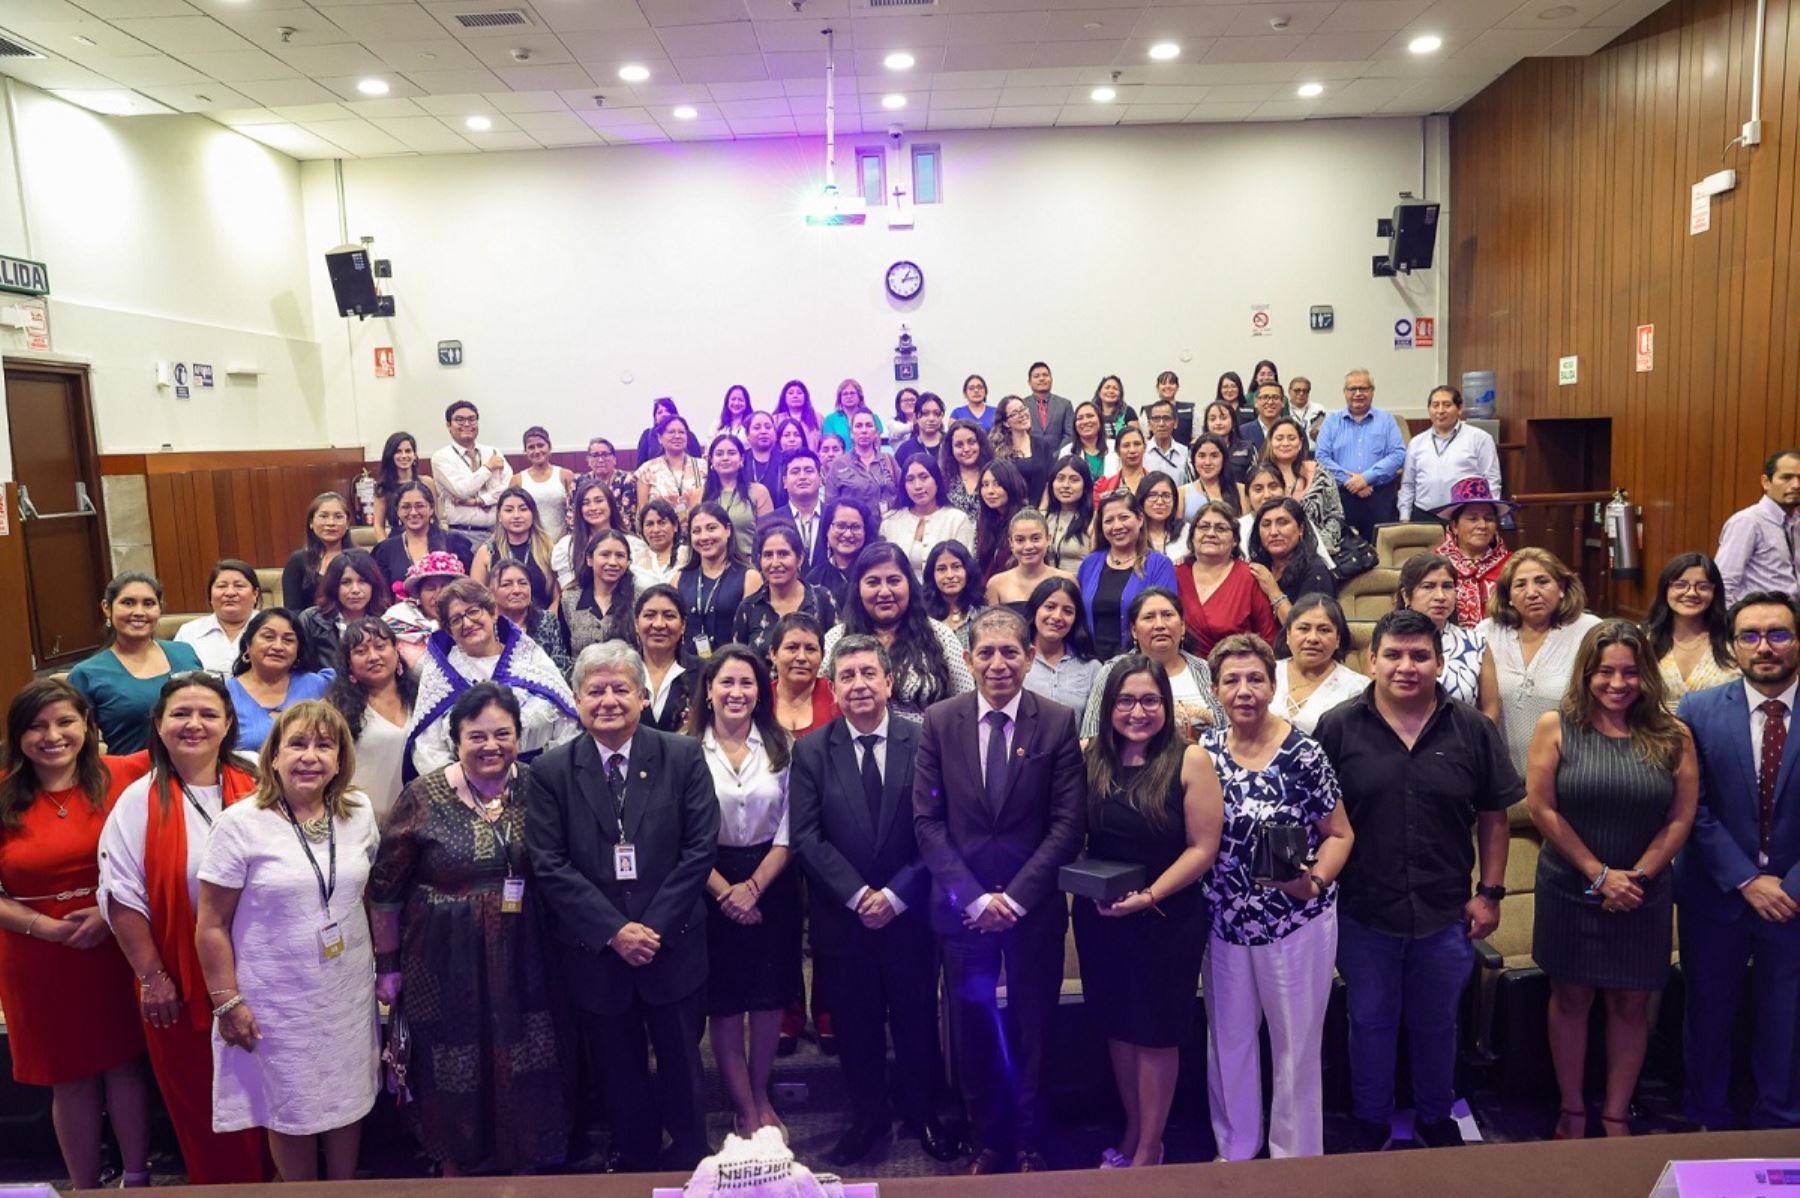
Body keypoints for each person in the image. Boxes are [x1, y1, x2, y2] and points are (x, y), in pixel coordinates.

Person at [1313, 609, 1519, 1150]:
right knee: (1371, 1022)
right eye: (1395, 655)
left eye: (1420, 655)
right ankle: (1371, 1119)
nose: (1407, 666)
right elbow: (1317, 819)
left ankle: (1434, 1115)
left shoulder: (1472, 727)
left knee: (1436, 1025)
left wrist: (1491, 893)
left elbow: (1495, 815)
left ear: (1440, 662)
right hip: (1362, 909)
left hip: (1445, 909)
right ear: (1371, 660)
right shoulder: (1337, 726)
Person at [525, 641, 721, 1172]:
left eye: (619, 689)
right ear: (576, 699)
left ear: (640, 695)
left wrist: (649, 928)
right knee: (617, 1066)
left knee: (683, 1061)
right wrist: (616, 931)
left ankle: (689, 1159)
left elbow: (700, 848)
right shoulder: (550, 772)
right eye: (595, 690)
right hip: (597, 950)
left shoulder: (681, 756)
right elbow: (549, 863)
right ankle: (634, 1158)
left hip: (672, 942)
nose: (608, 700)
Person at [370, 682, 571, 1174]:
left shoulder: (538, 786)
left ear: (520, 738)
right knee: (452, 1060)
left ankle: (526, 1159)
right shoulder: (423, 794)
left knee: (532, 1050)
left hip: (529, 953)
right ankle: (457, 1164)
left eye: (503, 733)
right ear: (455, 740)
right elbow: (384, 888)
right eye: (476, 735)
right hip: (442, 960)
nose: (491, 746)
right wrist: (388, 965)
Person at [912, 608, 1086, 1174]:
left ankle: (1032, 1140)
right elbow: (927, 823)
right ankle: (989, 1140)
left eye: (1010, 652)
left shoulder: (1057, 722)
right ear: (968, 660)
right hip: (963, 912)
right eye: (985, 653)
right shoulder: (940, 721)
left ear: (1030, 657)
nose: (997, 663)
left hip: (1030, 909)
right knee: (973, 1028)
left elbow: (1067, 825)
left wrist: (1013, 897)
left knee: (1034, 1027)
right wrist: (974, 897)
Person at [1524, 620, 1697, 1140]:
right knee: (1571, 997)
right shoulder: (1556, 725)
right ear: (1587, 674)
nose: (1617, 683)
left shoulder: (1674, 734)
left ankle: (1616, 1113)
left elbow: (1680, 818)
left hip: (1642, 893)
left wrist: (1636, 877)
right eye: (1605, 672)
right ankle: (1573, 1109)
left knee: (1631, 1002)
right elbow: (1542, 808)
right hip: (1571, 886)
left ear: (1645, 675)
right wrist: (1598, 874)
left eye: (1628, 672)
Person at [789, 635, 956, 1166]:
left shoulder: (924, 740)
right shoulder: (812, 750)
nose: (858, 684)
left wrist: (896, 895)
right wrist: (861, 896)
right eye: (847, 677)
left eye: (868, 674)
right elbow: (807, 837)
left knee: (915, 1019)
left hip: (912, 915)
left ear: (888, 681)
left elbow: (941, 826)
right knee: (856, 1027)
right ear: (833, 689)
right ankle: (867, 1118)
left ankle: (921, 1110)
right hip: (845, 918)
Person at [193, 702, 377, 1182]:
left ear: (340, 759)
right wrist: (226, 1000)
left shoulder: (358, 813)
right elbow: (211, 923)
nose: (310, 757)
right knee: (289, 1104)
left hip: (346, 988)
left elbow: (365, 895)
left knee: (348, 1095)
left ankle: (343, 1190)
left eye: (324, 745)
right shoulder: (239, 824)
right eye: (297, 744)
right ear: (272, 756)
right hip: (274, 995)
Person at [97, 674, 269, 1183]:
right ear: (158, 724)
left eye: (208, 714)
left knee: (276, 1099)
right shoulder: (137, 801)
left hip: (269, 969)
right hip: (181, 978)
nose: (194, 724)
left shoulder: (262, 779)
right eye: (180, 714)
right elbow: (122, 897)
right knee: (205, 1105)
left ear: (229, 724)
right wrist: (153, 977)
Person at [1201, 634, 1352, 1160]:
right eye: (1232, 680)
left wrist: (1313, 881)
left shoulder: (1304, 751)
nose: (1244, 691)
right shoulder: (1205, 753)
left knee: (1296, 1048)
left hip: (1296, 921)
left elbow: (1339, 834)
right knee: (1230, 1044)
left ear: (1273, 683)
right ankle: (1236, 1152)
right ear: (1216, 689)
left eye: (1255, 679)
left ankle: (1295, 1162)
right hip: (1224, 924)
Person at [0, 681, 154, 1190]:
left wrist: (111, 915)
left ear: (87, 726)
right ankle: (85, 1188)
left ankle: (137, 1178)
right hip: (39, 954)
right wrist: (42, 926)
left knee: (125, 1064)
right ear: (17, 736)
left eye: (65, 722)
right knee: (70, 1077)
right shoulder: (2, 793)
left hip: (117, 942)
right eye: (37, 726)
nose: (52, 736)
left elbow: (161, 854)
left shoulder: (126, 775)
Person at [1074, 655, 1224, 1169]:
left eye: (1149, 700)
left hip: (1166, 917)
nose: (1138, 711)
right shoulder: (1089, 755)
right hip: (1101, 917)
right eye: (1126, 701)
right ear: (1109, 705)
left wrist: (1151, 895)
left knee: (1155, 1032)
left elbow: (1203, 848)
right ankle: (1135, 1128)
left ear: (1166, 703)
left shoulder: (1191, 761)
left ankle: (1149, 1147)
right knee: (1118, 1025)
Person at [1675, 591, 1800, 1130]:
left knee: (1787, 1016)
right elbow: (1690, 807)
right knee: (1708, 1011)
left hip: (1795, 899)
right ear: (1732, 646)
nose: (1764, 647)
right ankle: (1707, 1117)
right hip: (1717, 891)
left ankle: (1780, 1120)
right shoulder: (1698, 710)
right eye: (1750, 636)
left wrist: (1790, 886)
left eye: (1778, 634)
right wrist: (1746, 878)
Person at [685, 647, 801, 1140]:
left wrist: (753, 888)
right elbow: (681, 833)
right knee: (727, 1001)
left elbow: (793, 827)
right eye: (726, 683)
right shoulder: (684, 749)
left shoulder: (784, 746)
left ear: (761, 691)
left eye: (747, 684)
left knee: (769, 997)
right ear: (708, 691)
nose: (736, 693)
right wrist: (726, 891)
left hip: (773, 878)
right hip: (708, 878)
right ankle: (743, 1104)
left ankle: (761, 1091)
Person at [405, 578, 580, 778]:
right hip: (468, 790)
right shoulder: (441, 674)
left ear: (493, 613)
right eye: (456, 619)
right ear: (448, 631)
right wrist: (462, 788)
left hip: (539, 782)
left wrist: (547, 778)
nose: (467, 623)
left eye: (473, 611)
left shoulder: (530, 659)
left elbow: (568, 723)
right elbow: (428, 747)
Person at [1479, 548, 1603, 780]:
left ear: (1562, 588)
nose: (1532, 593)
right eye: (1520, 585)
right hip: (1499, 777)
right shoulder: (1487, 632)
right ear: (1507, 596)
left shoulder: (1590, 631)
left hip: (1570, 775)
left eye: (1542, 581)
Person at [823, 541, 975, 722]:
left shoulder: (940, 636)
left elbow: (967, 705)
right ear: (858, 589)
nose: (885, 591)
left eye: (894, 581)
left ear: (910, 585)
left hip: (927, 746)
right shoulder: (836, 638)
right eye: (873, 582)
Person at [1081, 588, 1228, 742]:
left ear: (1183, 626)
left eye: (1167, 615)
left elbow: (1230, 732)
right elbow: (1090, 737)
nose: (1159, 625)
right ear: (1134, 631)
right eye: (1149, 617)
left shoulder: (1206, 670)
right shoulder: (1112, 671)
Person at [326, 617, 414, 828]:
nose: (373, 657)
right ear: (349, 665)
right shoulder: (334, 711)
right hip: (358, 823)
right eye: (361, 651)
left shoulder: (422, 700)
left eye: (380, 646)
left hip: (418, 823)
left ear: (396, 650)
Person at [1078, 489, 1178, 661]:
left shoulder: (1159, 565)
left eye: (1124, 517)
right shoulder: (1089, 564)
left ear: (1139, 519)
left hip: (1139, 664)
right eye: (1109, 520)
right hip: (1091, 663)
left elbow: (1167, 617)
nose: (1117, 526)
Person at [1176, 501, 1279, 659]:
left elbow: (1268, 639)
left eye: (1221, 528)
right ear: (1192, 536)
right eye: (1204, 526)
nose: (1211, 533)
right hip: (1184, 674)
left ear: (1235, 540)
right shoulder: (1176, 574)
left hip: (1236, 674)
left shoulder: (1250, 577)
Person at [1313, 369, 1406, 543]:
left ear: (1372, 391)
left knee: (1381, 548)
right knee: (1344, 552)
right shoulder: (1331, 422)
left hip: (1380, 498)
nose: (1358, 394)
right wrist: (1352, 482)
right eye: (1352, 389)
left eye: (1363, 388)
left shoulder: (1387, 420)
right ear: (1345, 392)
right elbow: (1322, 457)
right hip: (1340, 497)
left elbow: (1398, 454)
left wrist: (1367, 478)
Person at [226, 608, 333, 751]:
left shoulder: (320, 685)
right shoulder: (225, 694)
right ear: (248, 645)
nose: (278, 646)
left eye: (288, 640)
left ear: (298, 650)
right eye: (268, 637)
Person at [1396, 553, 1492, 708]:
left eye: (1447, 586)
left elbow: (1490, 711)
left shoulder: (1476, 643)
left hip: (1465, 732)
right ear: (1406, 596)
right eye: (1428, 586)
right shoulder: (1386, 643)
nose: (1440, 596)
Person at [1645, 552, 1739, 709]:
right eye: (1680, 585)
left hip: (1717, 730)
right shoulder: (1644, 638)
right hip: (1654, 729)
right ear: (1665, 589)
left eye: (1703, 587)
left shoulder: (1733, 638)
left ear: (1715, 592)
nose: (1691, 593)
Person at [1398, 386, 1503, 522]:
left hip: (1464, 516)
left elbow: (1492, 480)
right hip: (1424, 515)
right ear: (1429, 410)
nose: (1440, 411)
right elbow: (1408, 484)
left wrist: (1489, 516)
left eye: (1447, 405)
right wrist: (1404, 517)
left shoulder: (1480, 438)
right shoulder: (1416, 443)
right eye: (1435, 405)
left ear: (1459, 409)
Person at [734, 523, 837, 657]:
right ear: (760, 560)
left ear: (799, 559)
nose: (775, 563)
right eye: (768, 555)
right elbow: (739, 661)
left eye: (783, 554)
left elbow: (838, 655)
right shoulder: (748, 607)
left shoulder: (822, 599)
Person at [678, 502, 764, 660]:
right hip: (688, 672)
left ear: (728, 530)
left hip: (733, 670)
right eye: (696, 531)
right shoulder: (678, 578)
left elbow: (754, 634)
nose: (704, 537)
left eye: (711, 528)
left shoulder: (749, 577)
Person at [1716, 448, 1800, 606]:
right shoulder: (1747, 521)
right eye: (1786, 478)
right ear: (1766, 482)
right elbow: (1724, 582)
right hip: (1756, 623)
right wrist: (1730, 624)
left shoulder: (1796, 524)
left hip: (1790, 623)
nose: (1796, 485)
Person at [1272, 595, 1366, 735]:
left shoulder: (1358, 689)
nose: (1312, 638)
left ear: (1338, 639)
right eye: (1304, 628)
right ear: (1288, 635)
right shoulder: (1264, 673)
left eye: (1324, 630)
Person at [1433, 476, 1517, 627]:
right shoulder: (1433, 564)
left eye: (1489, 519)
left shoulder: (1513, 565)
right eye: (1472, 519)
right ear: (1454, 526)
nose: (1482, 525)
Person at [1262, 415, 1346, 555]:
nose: (1285, 443)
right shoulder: (1261, 477)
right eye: (1279, 438)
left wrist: (1321, 544)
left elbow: (1336, 514)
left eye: (1291, 438)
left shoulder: (1319, 472)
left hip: (1318, 551)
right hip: (1273, 552)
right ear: (1270, 442)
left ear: (1300, 443)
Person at [881, 454, 976, 575]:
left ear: (936, 480)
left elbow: (965, 568)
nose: (918, 486)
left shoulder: (956, 519)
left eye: (924, 477)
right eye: (910, 479)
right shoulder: (890, 521)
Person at [298, 548, 390, 672]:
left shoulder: (387, 619)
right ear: (334, 586)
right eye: (346, 582)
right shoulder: (311, 620)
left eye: (363, 581)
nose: (355, 590)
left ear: (373, 585)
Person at [471, 487, 560, 614]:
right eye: (509, 510)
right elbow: (475, 597)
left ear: (533, 514)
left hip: (544, 622)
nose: (516, 515)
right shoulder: (486, 552)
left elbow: (559, 595)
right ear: (499, 516)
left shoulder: (550, 549)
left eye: (523, 509)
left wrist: (549, 621)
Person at [373, 480, 475, 587]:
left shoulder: (454, 542)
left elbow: (468, 587)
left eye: (419, 506)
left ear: (431, 508)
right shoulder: (385, 550)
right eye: (406, 507)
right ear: (397, 511)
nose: (413, 512)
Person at [1248, 497, 1337, 619]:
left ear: (1300, 529)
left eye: (1283, 522)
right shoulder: (1258, 567)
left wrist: (1273, 591)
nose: (1273, 532)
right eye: (1266, 524)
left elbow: (1307, 630)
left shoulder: (1316, 571)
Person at [1023, 576, 1101, 712]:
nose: (1057, 617)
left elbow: (1093, 726)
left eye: (1067, 611)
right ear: (1035, 609)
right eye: (1050, 607)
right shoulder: (1015, 660)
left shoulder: (1091, 668)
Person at [434, 402, 509, 538]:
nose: (467, 424)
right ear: (449, 425)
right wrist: (488, 468)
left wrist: (479, 501)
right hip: (461, 534)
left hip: (498, 533)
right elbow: (462, 490)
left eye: (472, 419)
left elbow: (508, 489)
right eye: (460, 420)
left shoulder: (493, 452)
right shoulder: (441, 458)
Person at [175, 559, 262, 676]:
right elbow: (178, 679)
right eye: (221, 586)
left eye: (239, 586)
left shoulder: (273, 628)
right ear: (210, 595)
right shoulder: (189, 632)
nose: (230, 593)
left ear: (255, 594)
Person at [563, 529, 638, 657]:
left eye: (620, 556)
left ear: (628, 562)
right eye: (605, 555)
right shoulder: (569, 599)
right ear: (589, 559)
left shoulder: (638, 600)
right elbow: (563, 652)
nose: (613, 562)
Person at [384, 551, 464, 670]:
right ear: (418, 594)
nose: (439, 595)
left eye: (445, 587)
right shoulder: (399, 616)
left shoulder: (468, 619)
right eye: (431, 588)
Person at [636, 585, 699, 734]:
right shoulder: (622, 671)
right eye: (649, 615)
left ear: (683, 625)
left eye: (669, 616)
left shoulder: (703, 672)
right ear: (636, 624)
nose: (658, 624)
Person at [553, 476, 633, 591]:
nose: (593, 508)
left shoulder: (632, 543)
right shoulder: (567, 546)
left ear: (611, 504)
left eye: (599, 501)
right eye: (586, 503)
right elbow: (567, 591)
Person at [704, 432, 775, 561]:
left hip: (749, 567)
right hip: (709, 565)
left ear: (741, 459)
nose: (725, 458)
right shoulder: (698, 495)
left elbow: (768, 537)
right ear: (711, 460)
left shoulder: (758, 492)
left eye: (731, 453)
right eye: (719, 454)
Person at [986, 509, 1073, 614]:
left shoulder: (1067, 580)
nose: (1028, 546)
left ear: (1048, 539)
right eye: (1020, 540)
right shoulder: (996, 584)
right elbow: (991, 627)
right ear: (1011, 543)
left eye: (1036, 539)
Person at [494, 559, 571, 677]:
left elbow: (561, 666)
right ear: (491, 591)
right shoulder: (488, 627)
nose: (516, 590)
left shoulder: (547, 620)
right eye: (506, 584)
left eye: (523, 583)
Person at [767, 612, 838, 736]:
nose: (801, 657)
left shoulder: (838, 696)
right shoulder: (759, 698)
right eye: (792, 648)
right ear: (773, 653)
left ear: (823, 656)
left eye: (810, 649)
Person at [281, 491, 352, 611]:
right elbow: (293, 610)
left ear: (348, 523)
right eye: (323, 516)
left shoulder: (360, 558)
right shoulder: (297, 561)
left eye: (338, 517)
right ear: (311, 523)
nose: (331, 523)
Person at [825, 410, 900, 514]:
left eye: (869, 425)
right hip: (853, 527)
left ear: (876, 432)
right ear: (851, 432)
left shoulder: (889, 460)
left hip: (887, 526)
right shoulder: (839, 464)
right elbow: (830, 505)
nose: (864, 430)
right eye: (859, 426)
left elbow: (902, 494)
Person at [508, 426, 575, 539]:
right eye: (531, 447)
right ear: (525, 451)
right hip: (530, 541)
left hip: (563, 540)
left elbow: (574, 512)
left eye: (540, 445)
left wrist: (560, 541)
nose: (537, 451)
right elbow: (512, 513)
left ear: (549, 447)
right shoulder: (517, 479)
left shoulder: (565, 475)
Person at [808, 497, 874, 610]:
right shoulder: (815, 577)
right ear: (826, 530)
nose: (848, 534)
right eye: (840, 526)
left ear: (866, 532)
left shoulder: (876, 570)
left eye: (856, 527)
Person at [636, 413, 707, 520]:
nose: (677, 436)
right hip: (660, 532)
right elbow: (642, 514)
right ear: (660, 438)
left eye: (681, 432)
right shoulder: (647, 470)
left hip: (698, 531)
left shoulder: (701, 466)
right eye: (671, 432)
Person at [371, 431, 439, 538]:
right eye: (398, 452)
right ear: (391, 456)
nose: (404, 456)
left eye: (408, 451)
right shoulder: (383, 488)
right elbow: (378, 526)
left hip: (427, 540)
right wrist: (385, 548)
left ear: (414, 455)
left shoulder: (427, 483)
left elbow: (435, 518)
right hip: (396, 542)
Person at [974, 460, 1031, 584]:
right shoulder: (986, 521)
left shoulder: (1026, 520)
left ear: (1011, 485)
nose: (990, 491)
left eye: (997, 484)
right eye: (985, 484)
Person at [769, 449, 827, 567]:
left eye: (809, 471)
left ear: (820, 479)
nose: (802, 477)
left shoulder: (834, 517)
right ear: (784, 481)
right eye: (795, 472)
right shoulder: (769, 522)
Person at [990, 395, 1051, 505]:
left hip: (1041, 512)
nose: (1022, 415)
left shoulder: (1042, 444)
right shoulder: (997, 451)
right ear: (1006, 423)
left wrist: (1042, 510)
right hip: (1010, 512)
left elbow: (1049, 481)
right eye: (1015, 413)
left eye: (1023, 409)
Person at [576, 436, 640, 536]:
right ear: (588, 460)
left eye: (605, 455)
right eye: (595, 455)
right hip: (586, 537)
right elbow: (573, 517)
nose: (601, 460)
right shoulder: (578, 483)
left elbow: (627, 519)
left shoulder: (627, 481)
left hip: (619, 536)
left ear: (614, 459)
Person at [1042, 456, 1096, 571]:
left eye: (1074, 480)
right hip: (1047, 586)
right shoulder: (1045, 518)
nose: (1065, 485)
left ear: (1085, 486)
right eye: (1060, 479)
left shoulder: (1093, 519)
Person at [922, 539, 980, 643]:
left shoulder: (983, 616)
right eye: (942, 569)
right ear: (932, 574)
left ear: (968, 570)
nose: (950, 575)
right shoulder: (922, 618)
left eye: (956, 567)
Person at [1180, 433, 1246, 517]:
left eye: (1214, 456)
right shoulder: (1182, 493)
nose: (1207, 462)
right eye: (1202, 456)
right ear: (1194, 459)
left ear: (1224, 459)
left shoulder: (1241, 491)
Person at [942, 418, 993, 521]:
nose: (966, 449)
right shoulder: (943, 481)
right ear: (951, 449)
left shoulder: (995, 474)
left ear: (980, 443)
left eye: (971, 442)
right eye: (959, 445)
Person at [632, 498, 691, 588]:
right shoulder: (634, 560)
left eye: (662, 523)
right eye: (649, 524)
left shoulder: (689, 556)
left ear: (675, 526)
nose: (656, 530)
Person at [1059, 400, 1117, 485]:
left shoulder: (1115, 447)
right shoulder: (1066, 451)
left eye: (1090, 416)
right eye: (1080, 418)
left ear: (1100, 420)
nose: (1085, 421)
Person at [1201, 399, 1257, 483]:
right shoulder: (1196, 449)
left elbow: (1255, 480)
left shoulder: (1248, 448)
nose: (1218, 423)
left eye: (1223, 418)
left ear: (1233, 422)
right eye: (1212, 419)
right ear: (1206, 424)